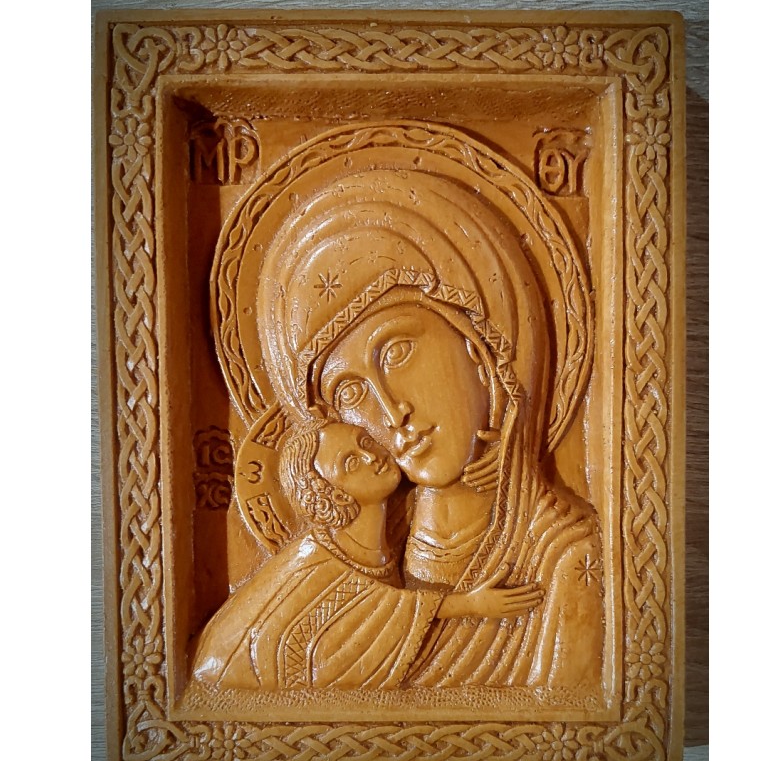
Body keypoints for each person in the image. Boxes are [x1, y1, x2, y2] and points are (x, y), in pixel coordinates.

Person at [254, 168, 606, 697]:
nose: (390, 411)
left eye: (397, 352)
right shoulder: (357, 564)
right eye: (350, 393)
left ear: (480, 350)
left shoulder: (567, 559)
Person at [191, 419, 544, 689]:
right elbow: (370, 610)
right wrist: (469, 605)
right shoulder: (313, 566)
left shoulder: (394, 529)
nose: (372, 456)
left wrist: (495, 456)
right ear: (330, 493)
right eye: (350, 463)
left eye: (365, 442)